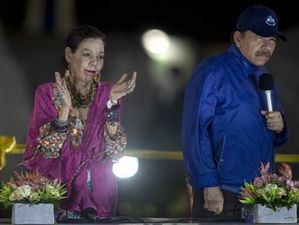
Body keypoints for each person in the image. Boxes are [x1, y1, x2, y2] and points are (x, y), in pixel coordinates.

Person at [181, 5, 288, 220]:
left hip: (260, 193)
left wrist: (280, 127)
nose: (266, 47)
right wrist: (208, 182)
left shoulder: (264, 77)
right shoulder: (213, 70)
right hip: (223, 193)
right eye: (259, 38)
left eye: (272, 40)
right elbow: (195, 130)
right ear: (238, 38)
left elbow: (275, 137)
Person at [22, 25, 137, 220]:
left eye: (100, 56)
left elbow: (116, 151)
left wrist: (112, 104)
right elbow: (45, 152)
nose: (95, 62)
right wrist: (64, 111)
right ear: (69, 55)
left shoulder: (107, 94)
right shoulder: (48, 93)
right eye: (87, 54)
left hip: (99, 201)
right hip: (58, 197)